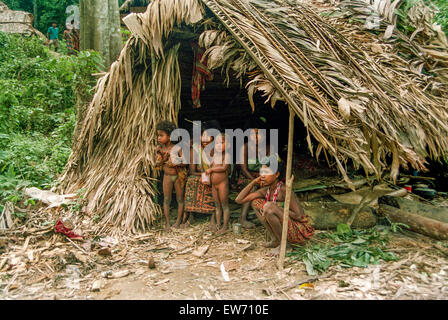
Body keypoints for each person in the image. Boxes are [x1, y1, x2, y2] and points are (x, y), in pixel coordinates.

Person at [235, 157, 314, 256]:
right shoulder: (265, 190)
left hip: (297, 231)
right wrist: (254, 182)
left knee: (269, 207)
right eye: (261, 172)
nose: (263, 176)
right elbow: (239, 200)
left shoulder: (284, 189)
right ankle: (275, 239)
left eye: (266, 172)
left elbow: (299, 216)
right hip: (284, 224)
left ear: (276, 174)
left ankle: (284, 245)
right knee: (255, 203)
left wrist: (276, 209)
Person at [184, 120, 221, 229]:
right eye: (202, 136)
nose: (204, 139)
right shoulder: (195, 148)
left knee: (215, 182)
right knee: (192, 181)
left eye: (208, 136)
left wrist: (210, 173)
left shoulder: (217, 148)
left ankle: (213, 217)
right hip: (201, 175)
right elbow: (192, 170)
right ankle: (191, 215)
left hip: (215, 175)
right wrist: (203, 174)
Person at [237, 119, 270, 229]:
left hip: (263, 176)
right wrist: (255, 181)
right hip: (247, 177)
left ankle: (268, 216)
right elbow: (244, 170)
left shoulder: (267, 147)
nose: (255, 137)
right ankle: (242, 218)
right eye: (252, 134)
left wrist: (263, 178)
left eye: (258, 133)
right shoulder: (244, 147)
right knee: (251, 187)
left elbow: (269, 166)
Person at [155, 121, 188, 231]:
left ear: (169, 136)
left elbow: (185, 162)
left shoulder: (177, 148)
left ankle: (178, 221)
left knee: (179, 198)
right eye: (158, 135)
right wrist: (163, 159)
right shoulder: (160, 150)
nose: (159, 138)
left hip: (177, 176)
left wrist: (175, 161)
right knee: (167, 199)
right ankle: (167, 223)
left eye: (161, 135)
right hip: (167, 176)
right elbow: (156, 164)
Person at [205, 134, 231, 235]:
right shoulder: (215, 155)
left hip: (222, 184)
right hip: (214, 185)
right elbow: (210, 166)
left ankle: (225, 226)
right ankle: (218, 224)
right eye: (216, 143)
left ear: (228, 145)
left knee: (224, 205)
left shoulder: (227, 155)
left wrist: (211, 169)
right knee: (217, 206)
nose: (219, 145)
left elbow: (224, 168)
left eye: (222, 143)